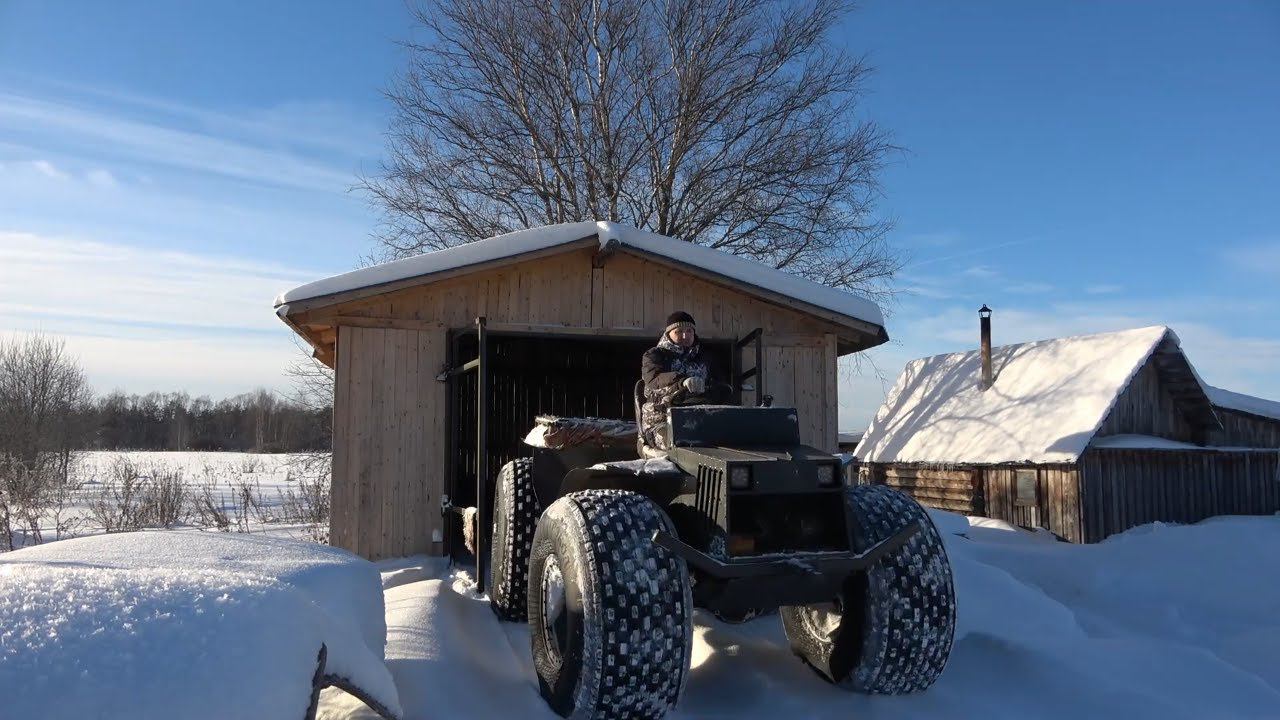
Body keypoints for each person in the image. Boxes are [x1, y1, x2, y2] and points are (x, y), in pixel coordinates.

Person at [639, 311, 729, 451]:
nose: (685, 336)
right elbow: (654, 379)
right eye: (679, 331)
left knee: (729, 439)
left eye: (689, 331)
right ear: (668, 334)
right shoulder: (655, 355)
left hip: (699, 418)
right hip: (662, 418)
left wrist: (721, 389)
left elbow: (719, 382)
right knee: (678, 444)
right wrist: (682, 382)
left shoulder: (706, 358)